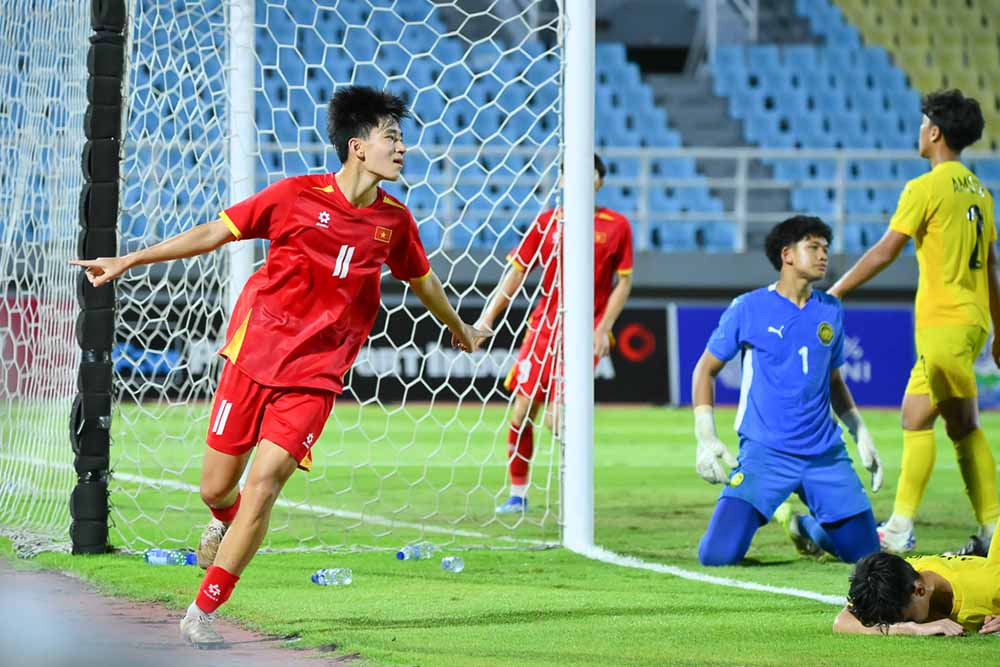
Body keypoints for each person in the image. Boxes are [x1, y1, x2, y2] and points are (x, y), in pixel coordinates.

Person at [71, 86, 488, 648]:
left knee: (264, 486)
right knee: (217, 488)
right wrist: (131, 259)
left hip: (316, 375)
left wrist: (460, 328)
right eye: (391, 137)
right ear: (357, 147)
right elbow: (215, 232)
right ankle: (223, 520)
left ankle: (203, 611)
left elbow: (423, 280)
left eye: (401, 138)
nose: (402, 148)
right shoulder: (295, 196)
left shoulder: (394, 222)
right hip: (255, 355)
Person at [828, 89, 1000, 556]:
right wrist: (999, 330)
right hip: (971, 321)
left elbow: (887, 250)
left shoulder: (924, 188)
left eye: (923, 123)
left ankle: (924, 527)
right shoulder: (980, 192)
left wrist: (836, 291)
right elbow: (991, 265)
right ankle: (958, 528)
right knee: (938, 420)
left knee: (945, 422)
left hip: (944, 323)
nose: (919, 131)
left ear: (935, 132)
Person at [693, 216, 882, 566]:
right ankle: (781, 513)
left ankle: (806, 527)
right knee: (716, 556)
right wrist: (705, 437)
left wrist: (860, 432)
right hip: (765, 454)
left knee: (868, 559)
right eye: (813, 247)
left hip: (824, 455)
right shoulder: (748, 308)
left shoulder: (831, 310)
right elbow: (705, 370)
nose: (823, 255)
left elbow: (834, 381)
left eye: (825, 248)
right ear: (787, 255)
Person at [476, 154, 633, 513]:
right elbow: (516, 273)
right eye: (569, 173)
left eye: (587, 173)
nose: (577, 179)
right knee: (521, 412)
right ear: (561, 181)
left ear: (599, 181)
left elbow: (624, 282)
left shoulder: (617, 226)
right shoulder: (546, 223)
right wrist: (487, 318)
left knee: (559, 418)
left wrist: (604, 328)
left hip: (585, 332)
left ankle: (576, 500)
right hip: (543, 331)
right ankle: (518, 494)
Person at [834, 530, 1000, 636]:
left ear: (919, 591)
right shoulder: (891, 577)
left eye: (903, 619)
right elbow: (841, 622)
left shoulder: (991, 587)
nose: (897, 622)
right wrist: (909, 628)